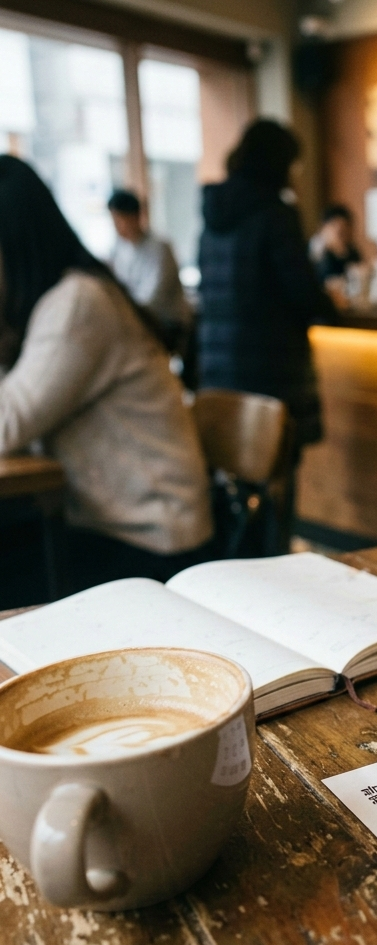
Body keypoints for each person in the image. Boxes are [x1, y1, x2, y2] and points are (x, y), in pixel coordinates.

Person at [0, 157, 214, 591]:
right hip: (100, 525)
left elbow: (7, 424)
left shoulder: (78, 304)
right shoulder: (54, 303)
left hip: (152, 543)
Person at [197, 119, 335, 451]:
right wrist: (331, 309)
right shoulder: (276, 215)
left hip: (219, 372)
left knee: (234, 474)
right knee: (276, 472)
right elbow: (303, 293)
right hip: (269, 371)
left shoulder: (213, 218)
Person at [107, 189, 192, 353]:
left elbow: (153, 298)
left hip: (167, 323)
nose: (116, 227)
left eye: (119, 220)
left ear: (135, 217)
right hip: (140, 322)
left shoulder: (159, 248)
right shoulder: (118, 249)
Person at [311, 204, 362, 285]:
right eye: (333, 226)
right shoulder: (317, 255)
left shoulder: (351, 252)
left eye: (343, 229)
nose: (338, 234)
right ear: (323, 228)